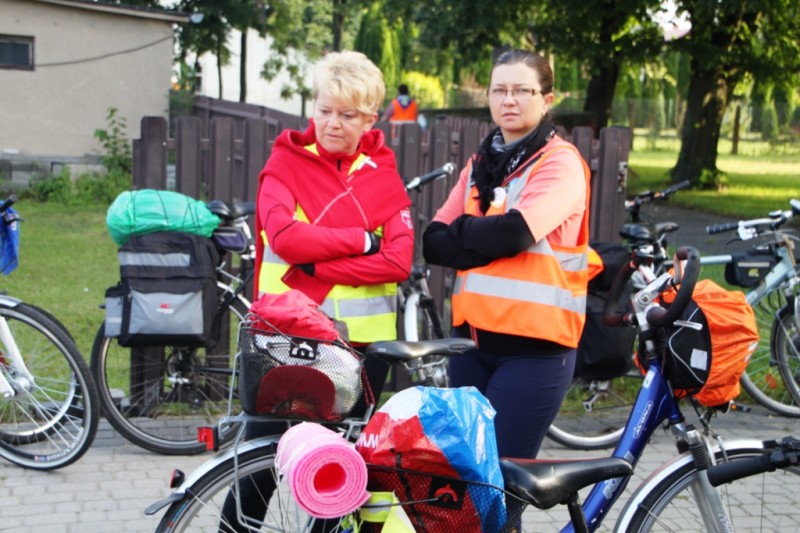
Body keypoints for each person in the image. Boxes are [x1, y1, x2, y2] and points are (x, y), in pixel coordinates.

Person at [219, 50, 414, 532]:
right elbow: (285, 237)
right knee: (261, 464)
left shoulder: (382, 173)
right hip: (288, 338)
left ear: (370, 119)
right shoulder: (286, 163)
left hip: (364, 349)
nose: (332, 123)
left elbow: (398, 261)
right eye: (324, 110)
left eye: (347, 115)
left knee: (344, 473)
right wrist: (362, 241)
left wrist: (318, 258)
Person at [422, 49, 591, 460]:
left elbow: (514, 234)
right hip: (471, 345)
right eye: (499, 90)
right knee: (464, 471)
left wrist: (465, 231)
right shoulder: (479, 165)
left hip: (535, 351)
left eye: (521, 90)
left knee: (503, 476)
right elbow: (433, 243)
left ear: (547, 99)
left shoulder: (560, 164)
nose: (508, 100)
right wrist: (487, 239)